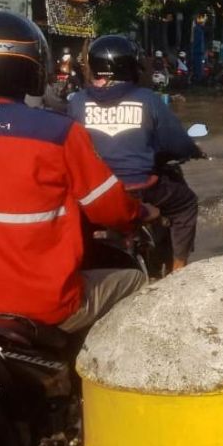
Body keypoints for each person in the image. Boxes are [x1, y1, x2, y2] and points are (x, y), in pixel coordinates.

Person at [0, 11, 146, 332]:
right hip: (42, 306)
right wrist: (139, 212)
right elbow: (109, 209)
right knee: (135, 280)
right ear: (29, 67)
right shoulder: (59, 132)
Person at [68, 35, 204, 272]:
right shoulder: (148, 100)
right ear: (131, 65)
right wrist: (193, 150)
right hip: (141, 188)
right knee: (187, 204)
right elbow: (177, 143)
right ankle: (179, 270)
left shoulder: (77, 102)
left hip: (94, 191)